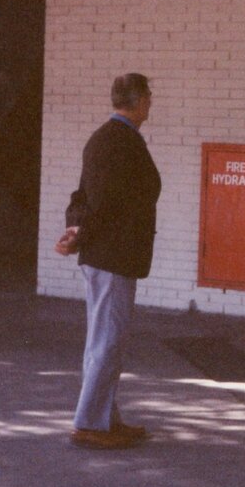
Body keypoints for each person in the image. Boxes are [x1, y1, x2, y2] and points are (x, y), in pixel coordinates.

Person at [63, 73, 161, 449]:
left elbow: (84, 196)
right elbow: (101, 202)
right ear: (136, 100)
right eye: (148, 96)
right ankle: (90, 423)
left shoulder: (111, 139)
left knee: (104, 339)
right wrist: (79, 234)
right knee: (108, 340)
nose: (151, 102)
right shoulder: (117, 141)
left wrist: (75, 230)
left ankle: (104, 417)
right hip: (112, 256)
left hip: (110, 254)